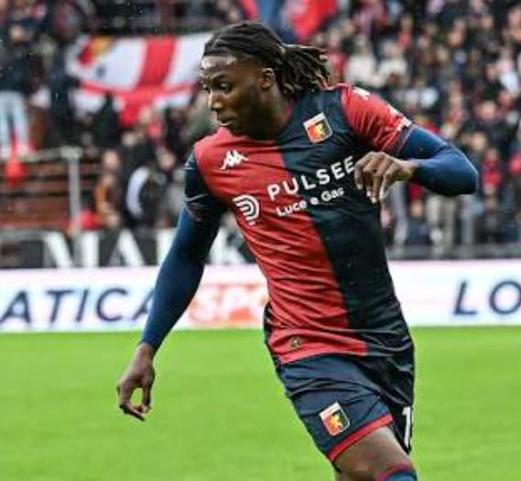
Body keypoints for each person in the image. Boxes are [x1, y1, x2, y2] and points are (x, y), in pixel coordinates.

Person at [116, 21, 477, 481]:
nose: (213, 102)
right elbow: (186, 256)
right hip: (307, 345)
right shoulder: (211, 162)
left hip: (385, 338)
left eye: (224, 86)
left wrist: (408, 167)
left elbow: (462, 172)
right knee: (392, 472)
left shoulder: (346, 110)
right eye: (208, 88)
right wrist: (147, 347)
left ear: (265, 78)